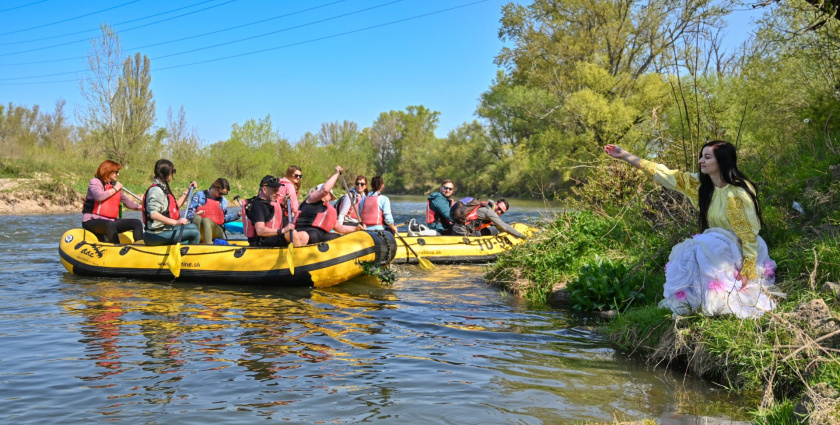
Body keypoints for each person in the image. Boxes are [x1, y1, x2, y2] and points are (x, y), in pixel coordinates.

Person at [604, 141, 780, 319]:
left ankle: (720, 300)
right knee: (695, 248)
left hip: (742, 247)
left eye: (707, 157)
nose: (701, 161)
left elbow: (748, 234)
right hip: (716, 245)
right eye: (701, 156)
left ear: (722, 161)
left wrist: (748, 270)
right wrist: (624, 155)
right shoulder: (701, 185)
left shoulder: (737, 192)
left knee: (698, 246)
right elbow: (663, 173)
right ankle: (696, 302)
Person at [294, 166, 364, 246]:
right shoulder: (311, 199)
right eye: (329, 194)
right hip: (305, 232)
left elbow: (339, 228)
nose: (329, 196)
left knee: (339, 237)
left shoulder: (330, 209)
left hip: (320, 235)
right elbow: (324, 190)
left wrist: (356, 229)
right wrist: (336, 174)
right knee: (304, 236)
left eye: (330, 195)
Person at [82, 160, 144, 243]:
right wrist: (115, 188)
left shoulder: (113, 186)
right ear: (108, 171)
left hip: (110, 221)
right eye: (116, 172)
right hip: (91, 221)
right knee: (109, 224)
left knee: (136, 223)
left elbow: (129, 204)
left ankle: (140, 246)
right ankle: (117, 248)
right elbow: (99, 196)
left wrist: (145, 208)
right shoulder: (95, 182)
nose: (118, 174)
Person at [142, 159, 201, 246]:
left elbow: (176, 206)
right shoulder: (156, 190)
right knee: (194, 233)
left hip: (165, 229)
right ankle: (188, 256)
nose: (172, 175)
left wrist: (188, 190)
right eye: (171, 172)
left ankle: (184, 248)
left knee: (193, 227)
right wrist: (176, 222)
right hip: (154, 234)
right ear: (166, 173)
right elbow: (153, 214)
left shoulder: (163, 187)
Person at [242, 175, 296, 247]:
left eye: (278, 190)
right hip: (262, 243)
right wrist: (282, 230)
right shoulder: (257, 206)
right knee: (292, 233)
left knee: (303, 235)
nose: (278, 193)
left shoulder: (268, 203)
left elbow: (270, 216)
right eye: (274, 190)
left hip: (272, 239)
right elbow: (260, 230)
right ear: (264, 189)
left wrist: (282, 205)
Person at [186, 178, 240, 244]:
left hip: (216, 231)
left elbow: (224, 219)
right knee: (197, 218)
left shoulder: (223, 201)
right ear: (214, 187)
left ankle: (209, 245)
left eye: (224, 194)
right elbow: (188, 215)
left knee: (206, 220)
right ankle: (194, 243)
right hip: (200, 229)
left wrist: (238, 214)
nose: (222, 195)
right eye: (220, 193)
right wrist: (195, 214)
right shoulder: (198, 195)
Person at [450, 198, 526, 239]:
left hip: (456, 228)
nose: (499, 211)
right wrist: (521, 236)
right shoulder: (489, 211)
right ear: (496, 203)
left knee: (491, 229)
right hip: (461, 232)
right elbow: (505, 227)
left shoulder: (485, 205)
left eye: (501, 212)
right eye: (499, 208)